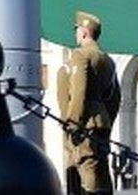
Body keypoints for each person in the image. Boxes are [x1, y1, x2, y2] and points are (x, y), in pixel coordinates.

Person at [64, 11, 120, 195]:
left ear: (84, 32)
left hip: (85, 119)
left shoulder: (80, 55)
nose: (75, 34)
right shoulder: (108, 60)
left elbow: (79, 91)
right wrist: (107, 119)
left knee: (86, 164)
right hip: (102, 119)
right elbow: (115, 96)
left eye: (76, 30)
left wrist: (73, 122)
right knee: (102, 168)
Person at [56, 62, 80, 195]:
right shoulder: (104, 62)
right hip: (96, 122)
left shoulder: (66, 70)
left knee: (73, 160)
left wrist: (67, 121)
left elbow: (63, 100)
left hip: (74, 123)